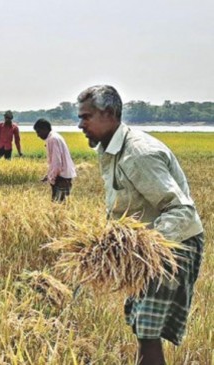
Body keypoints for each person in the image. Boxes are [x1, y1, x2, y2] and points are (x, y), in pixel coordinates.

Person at [77, 85, 204, 365]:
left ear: (109, 114)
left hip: (174, 244)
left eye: (86, 117)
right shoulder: (109, 150)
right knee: (140, 324)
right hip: (150, 246)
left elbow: (180, 210)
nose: (80, 125)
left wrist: (141, 247)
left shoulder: (139, 154)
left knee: (148, 328)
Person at [33, 118, 77, 202]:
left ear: (45, 129)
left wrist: (52, 178)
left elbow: (57, 163)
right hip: (64, 175)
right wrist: (48, 175)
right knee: (60, 203)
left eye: (38, 132)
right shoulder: (55, 136)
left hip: (61, 176)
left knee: (58, 203)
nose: (38, 135)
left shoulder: (52, 139)